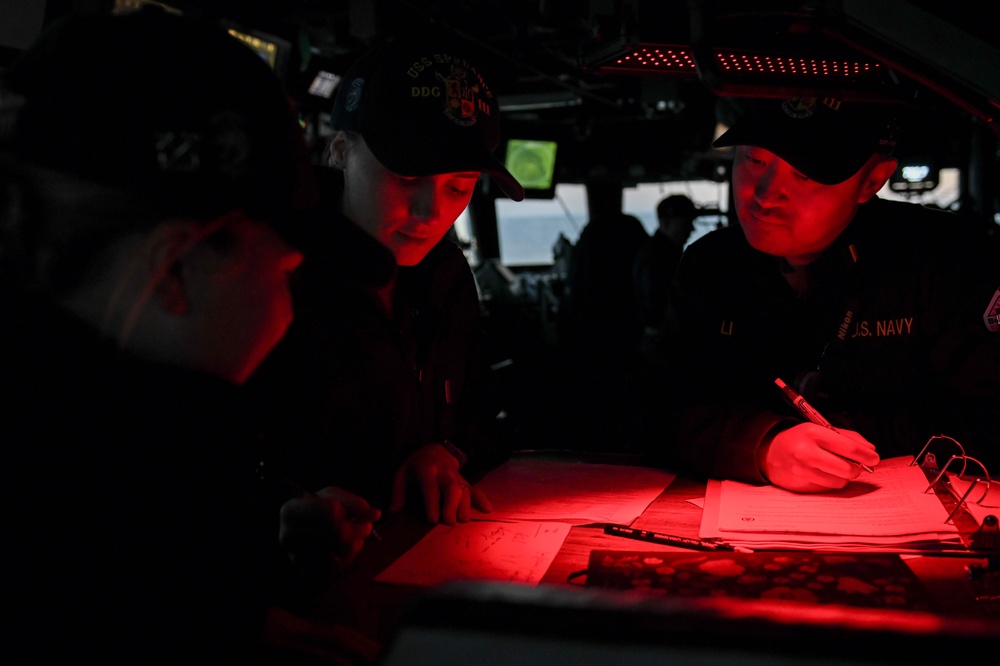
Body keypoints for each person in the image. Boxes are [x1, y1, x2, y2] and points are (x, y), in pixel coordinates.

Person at [0, 8, 380, 662]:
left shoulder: (91, 439)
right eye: (287, 270)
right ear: (177, 267)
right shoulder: (75, 492)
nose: (292, 307)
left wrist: (255, 581)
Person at [653, 96, 1000, 492]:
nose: (765, 196)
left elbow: (988, 420)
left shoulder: (942, 258)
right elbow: (656, 408)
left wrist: (853, 434)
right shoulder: (710, 265)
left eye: (804, 174)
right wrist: (762, 444)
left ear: (872, 180)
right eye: (754, 160)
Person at [249, 35, 525, 526]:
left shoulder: (448, 273)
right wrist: (286, 506)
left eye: (459, 187)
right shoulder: (268, 266)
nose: (432, 212)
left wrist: (446, 452)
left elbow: (480, 411)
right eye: (406, 178)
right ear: (340, 152)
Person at [633, 194, 697, 331]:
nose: (692, 229)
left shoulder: (656, 252)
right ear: (665, 222)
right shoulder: (658, 258)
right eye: (685, 223)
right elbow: (657, 307)